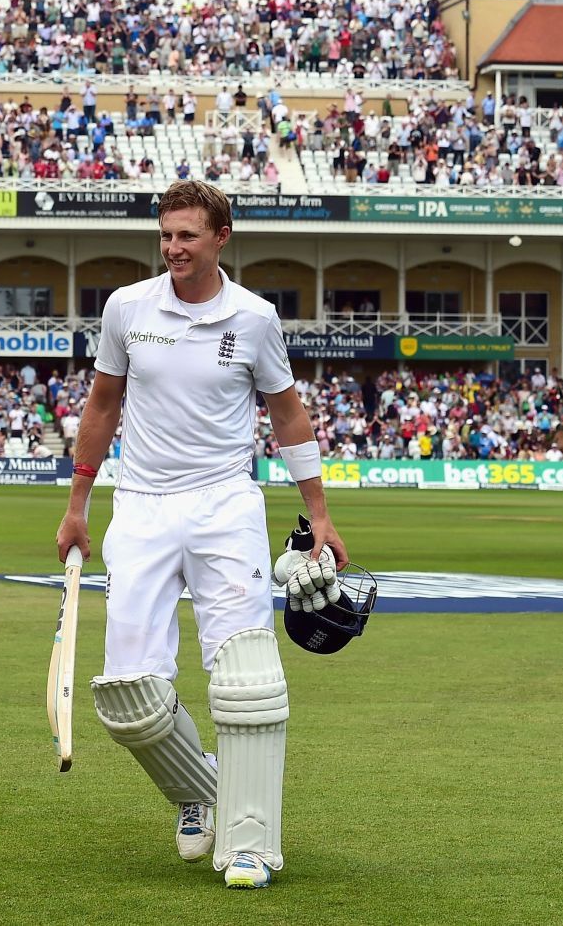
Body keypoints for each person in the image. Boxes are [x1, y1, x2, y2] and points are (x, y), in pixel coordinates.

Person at [54, 180, 349, 891]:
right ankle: (200, 790)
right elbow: (101, 405)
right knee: (129, 694)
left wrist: (321, 513)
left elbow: (288, 415)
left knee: (246, 679)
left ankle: (251, 843)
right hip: (143, 506)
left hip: (225, 505)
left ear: (222, 235)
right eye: (165, 235)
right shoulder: (128, 307)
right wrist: (78, 504)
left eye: (186, 235)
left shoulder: (253, 318)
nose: (172, 247)